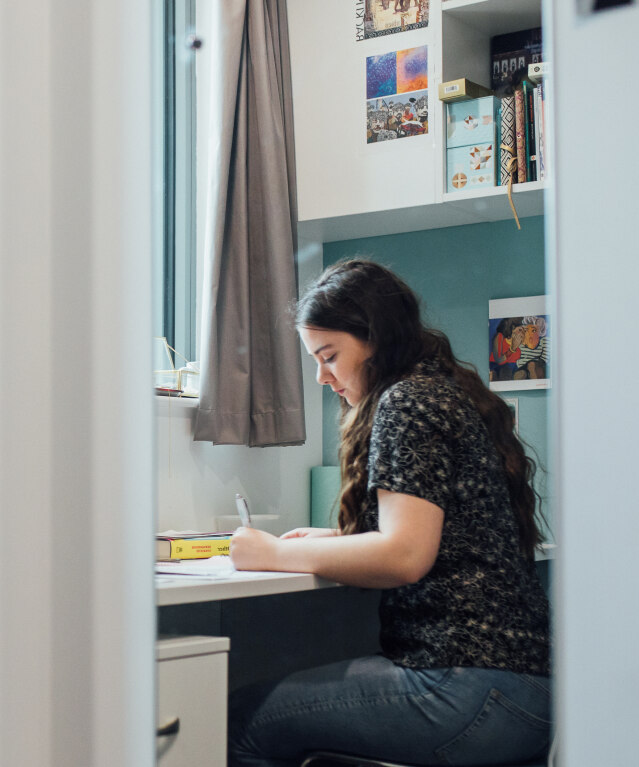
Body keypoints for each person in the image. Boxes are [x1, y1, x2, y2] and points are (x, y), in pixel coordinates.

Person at [226, 260, 552, 767]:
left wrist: (270, 553)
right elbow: (433, 538)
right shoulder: (446, 390)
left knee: (241, 718)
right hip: (523, 691)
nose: (321, 376)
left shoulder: (407, 401)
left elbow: (404, 556)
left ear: (373, 339)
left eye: (329, 356)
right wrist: (331, 542)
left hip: (466, 687)